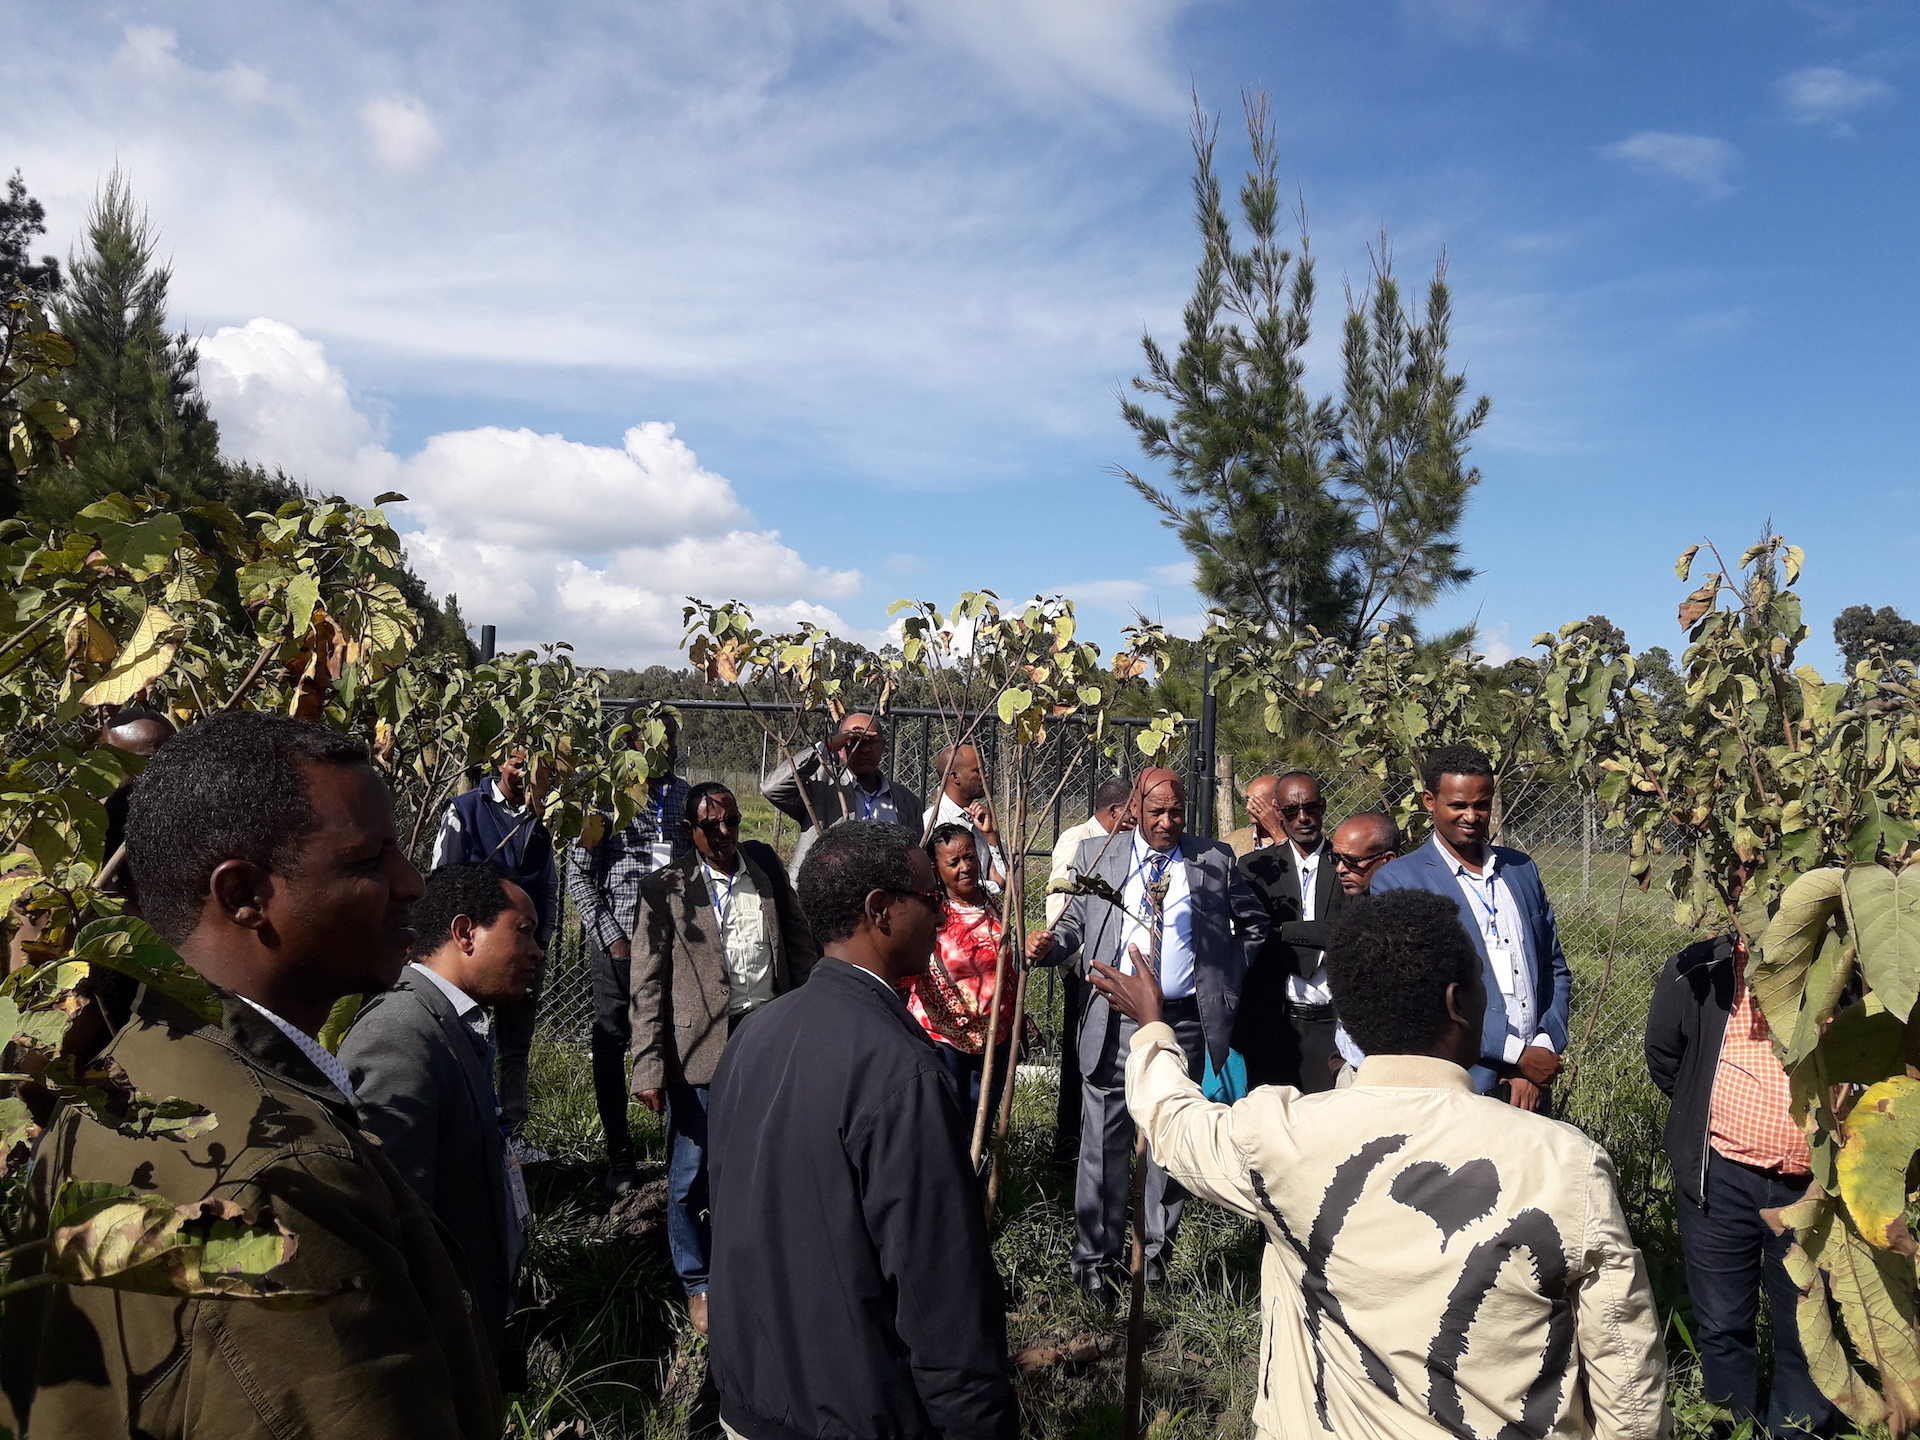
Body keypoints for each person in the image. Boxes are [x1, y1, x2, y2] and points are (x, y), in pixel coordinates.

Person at [0, 712, 501, 1440]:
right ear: (243, 895)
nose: (412, 884)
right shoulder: (284, 1179)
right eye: (369, 861)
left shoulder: (122, 1081)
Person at [1091, 888, 1670, 1440]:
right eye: (1481, 983)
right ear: (1457, 1003)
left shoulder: (1280, 1137)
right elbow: (1628, 1389)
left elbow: (1174, 1122)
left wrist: (1153, 1030)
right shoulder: (1565, 1164)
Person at [706, 822, 1017, 1440]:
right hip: (856, 1415)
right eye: (928, 898)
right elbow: (941, 1298)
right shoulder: (901, 1072)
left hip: (748, 1404)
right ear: (880, 911)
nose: (941, 914)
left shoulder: (752, 1038)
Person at [1026, 768, 1268, 1300]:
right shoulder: (1098, 854)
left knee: (1170, 1138)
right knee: (1102, 1141)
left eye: (1176, 811)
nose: (1167, 822)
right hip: (1113, 1017)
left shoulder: (1212, 860)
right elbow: (1074, 925)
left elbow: (1253, 924)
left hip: (1183, 1022)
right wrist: (1051, 946)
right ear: (1134, 808)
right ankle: (1096, 1263)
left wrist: (1222, 979)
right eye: (1156, 811)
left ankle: (1152, 1260)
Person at [338, 863, 545, 1372]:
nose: (537, 951)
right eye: (523, 931)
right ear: (465, 933)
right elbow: (397, 1227)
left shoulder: (453, 1023)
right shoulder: (401, 1035)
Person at [631, 781, 818, 1337]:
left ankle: (757, 1263)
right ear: (689, 831)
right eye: (711, 825)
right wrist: (648, 1065)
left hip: (766, 1035)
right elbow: (647, 983)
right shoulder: (665, 889)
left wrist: (811, 1018)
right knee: (690, 1173)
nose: (724, 833)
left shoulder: (763, 874)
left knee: (763, 1158)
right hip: (699, 1049)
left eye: (731, 821)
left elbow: (799, 945)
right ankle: (699, 1282)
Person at [1645, 914, 1837, 1438]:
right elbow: (1665, 1056)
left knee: (1809, 1329)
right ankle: (1730, 1427)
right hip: (1720, 1177)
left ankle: (1797, 1431)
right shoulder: (1701, 969)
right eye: (1742, 881)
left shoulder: (1841, 965)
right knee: (1723, 1325)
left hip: (1812, 1186)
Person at [1371, 744, 1572, 1109]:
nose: (1471, 816)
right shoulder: (1399, 882)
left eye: (1481, 805)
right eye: (1458, 805)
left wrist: (1541, 1049)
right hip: (1461, 1085)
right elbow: (1422, 996)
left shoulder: (1521, 870)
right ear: (1429, 801)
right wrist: (1515, 1055)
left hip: (1533, 1083)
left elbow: (1554, 967)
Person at [566, 714, 691, 1196]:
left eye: (671, 736)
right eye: (655, 737)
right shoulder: (605, 799)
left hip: (676, 947)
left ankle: (679, 1154)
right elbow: (579, 873)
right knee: (611, 1043)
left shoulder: (684, 797)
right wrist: (612, 938)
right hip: (619, 945)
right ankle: (620, 1155)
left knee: (678, 1041)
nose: (666, 745)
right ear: (631, 743)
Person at [433, 747, 557, 1144]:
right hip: (472, 954)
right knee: (468, 1040)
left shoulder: (540, 816)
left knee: (515, 1047)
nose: (525, 774)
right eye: (518, 764)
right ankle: (471, 1131)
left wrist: (540, 940)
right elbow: (444, 880)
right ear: (498, 763)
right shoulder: (465, 810)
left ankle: (514, 1137)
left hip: (523, 951)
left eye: (533, 766)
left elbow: (548, 886)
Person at [1044, 776, 1135, 1170]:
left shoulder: (1126, 843)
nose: (1137, 821)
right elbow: (1061, 908)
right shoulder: (1079, 841)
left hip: (1116, 974)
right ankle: (1069, 1153)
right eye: (1132, 812)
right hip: (1085, 973)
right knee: (1079, 1063)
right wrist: (1083, 966)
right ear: (1115, 811)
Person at [1234, 772, 1344, 1093]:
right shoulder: (1255, 868)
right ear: (1279, 814)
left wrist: (1283, 930)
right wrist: (1320, 945)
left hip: (1336, 1026)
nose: (1303, 818)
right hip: (1274, 1024)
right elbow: (1256, 937)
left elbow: (1353, 929)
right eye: (1292, 811)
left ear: (1323, 807)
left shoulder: (1346, 865)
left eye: (1311, 808)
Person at [908, 822, 1015, 1122]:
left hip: (995, 1035)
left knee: (981, 1122)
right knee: (948, 1122)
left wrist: (993, 837)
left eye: (969, 857)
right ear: (936, 868)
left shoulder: (994, 903)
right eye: (953, 862)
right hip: (945, 1039)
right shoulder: (931, 912)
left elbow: (1012, 881)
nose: (965, 867)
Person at [761, 711, 926, 873]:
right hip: (820, 886)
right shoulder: (821, 785)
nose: (864, 750)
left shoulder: (906, 801)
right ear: (840, 748)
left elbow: (916, 859)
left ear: (883, 747)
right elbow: (772, 788)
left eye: (871, 742)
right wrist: (825, 747)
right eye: (854, 741)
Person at [922, 742, 1007, 891]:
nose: (985, 775)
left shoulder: (981, 819)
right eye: (977, 770)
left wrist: (990, 836)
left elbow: (1007, 877)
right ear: (956, 776)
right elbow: (945, 883)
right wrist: (994, 886)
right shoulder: (934, 821)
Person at [1224, 772, 1284, 857]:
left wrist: (1277, 833)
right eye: (1248, 800)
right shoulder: (1231, 844)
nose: (1248, 807)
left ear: (1277, 802)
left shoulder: (1299, 838)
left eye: (1256, 801)